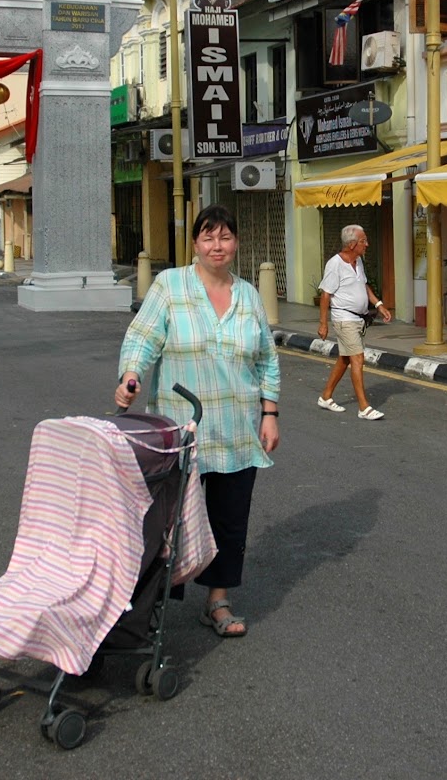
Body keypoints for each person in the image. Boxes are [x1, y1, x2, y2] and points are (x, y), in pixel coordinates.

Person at [115, 204, 279, 639]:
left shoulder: (248, 296)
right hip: (180, 433)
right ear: (195, 244)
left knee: (228, 519)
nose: (217, 245)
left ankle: (218, 601)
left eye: (225, 237)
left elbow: (266, 359)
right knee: (168, 521)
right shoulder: (170, 286)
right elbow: (144, 336)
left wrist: (270, 413)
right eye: (208, 237)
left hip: (237, 430)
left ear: (236, 243)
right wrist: (132, 374)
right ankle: (150, 606)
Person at [316, 225, 392, 420]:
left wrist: (379, 304)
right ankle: (364, 407)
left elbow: (363, 286)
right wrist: (323, 323)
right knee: (357, 357)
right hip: (344, 318)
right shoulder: (335, 264)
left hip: (358, 319)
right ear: (351, 244)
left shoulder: (358, 262)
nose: (367, 244)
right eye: (363, 241)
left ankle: (326, 396)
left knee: (345, 358)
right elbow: (325, 295)